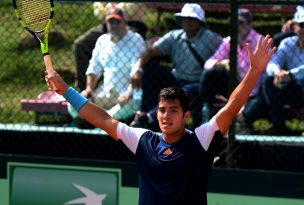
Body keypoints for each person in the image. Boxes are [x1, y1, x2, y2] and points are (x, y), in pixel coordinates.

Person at [45, 34, 276, 205]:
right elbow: (104, 119)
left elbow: (231, 107)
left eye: (173, 110)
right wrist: (66, 90)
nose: (166, 116)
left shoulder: (201, 140)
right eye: (162, 110)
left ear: (186, 115)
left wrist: (254, 71)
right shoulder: (144, 140)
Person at [130, 3, 223, 130]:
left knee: (186, 90)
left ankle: (148, 118)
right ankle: (144, 112)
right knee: (150, 68)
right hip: (176, 79)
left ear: (199, 22)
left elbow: (226, 52)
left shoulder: (211, 38)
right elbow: (151, 51)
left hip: (199, 83)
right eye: (185, 18)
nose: (187, 21)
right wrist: (138, 69)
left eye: (191, 18)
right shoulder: (174, 36)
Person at [70, 7, 146, 125]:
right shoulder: (102, 40)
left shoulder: (135, 39)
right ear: (106, 23)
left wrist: (129, 92)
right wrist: (89, 89)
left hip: (127, 96)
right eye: (111, 21)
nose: (114, 25)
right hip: (105, 93)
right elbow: (94, 67)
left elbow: (136, 70)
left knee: (131, 103)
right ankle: (101, 120)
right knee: (72, 104)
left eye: (117, 21)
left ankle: (96, 120)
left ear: (125, 22)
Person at [199, 8, 266, 129]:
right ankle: (206, 110)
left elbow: (263, 74)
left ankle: (242, 129)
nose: (236, 26)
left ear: (250, 25)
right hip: (234, 85)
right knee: (210, 73)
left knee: (248, 113)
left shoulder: (259, 42)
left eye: (240, 23)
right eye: (234, 22)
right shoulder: (229, 41)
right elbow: (208, 63)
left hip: (255, 90)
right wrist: (222, 63)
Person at [74, 3, 147, 90]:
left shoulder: (135, 38)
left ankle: (126, 87)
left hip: (133, 24)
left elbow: (131, 8)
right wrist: (111, 9)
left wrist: (111, 7)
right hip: (108, 23)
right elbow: (98, 9)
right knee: (80, 44)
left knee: (126, 41)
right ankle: (84, 88)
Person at [263, 7, 304, 134]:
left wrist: (290, 74)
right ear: (295, 27)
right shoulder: (287, 43)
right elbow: (273, 62)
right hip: (295, 90)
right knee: (270, 81)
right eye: (302, 25)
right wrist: (277, 72)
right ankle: (278, 127)